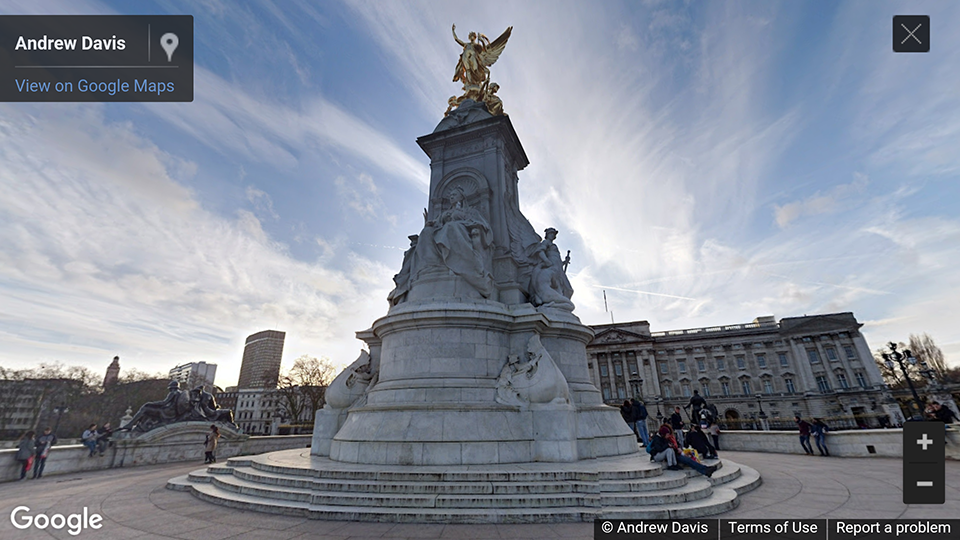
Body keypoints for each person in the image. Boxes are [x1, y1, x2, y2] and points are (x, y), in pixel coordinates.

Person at [650, 424, 716, 477]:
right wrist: (671, 447)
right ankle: (706, 470)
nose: (669, 435)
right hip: (670, 455)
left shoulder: (667, 438)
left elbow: (675, 444)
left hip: (675, 453)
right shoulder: (657, 439)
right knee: (688, 460)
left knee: (689, 460)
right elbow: (661, 449)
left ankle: (706, 469)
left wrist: (678, 448)